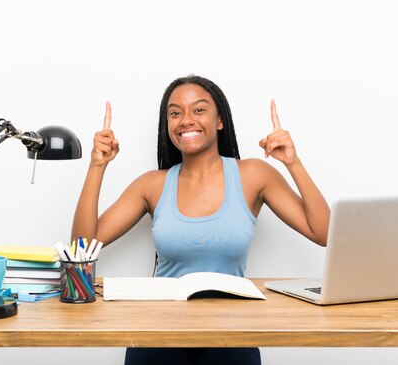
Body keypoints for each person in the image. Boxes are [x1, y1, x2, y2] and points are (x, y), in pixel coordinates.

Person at [71, 75, 330, 365]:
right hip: (158, 331)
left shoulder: (254, 176)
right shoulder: (151, 185)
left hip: (231, 332)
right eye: (175, 112)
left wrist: (293, 163)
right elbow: (81, 249)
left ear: (220, 120)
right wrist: (97, 166)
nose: (185, 120)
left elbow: (323, 233)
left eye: (199, 110)